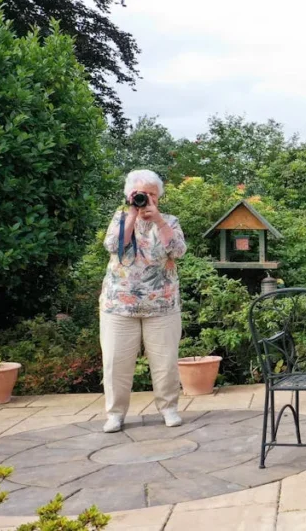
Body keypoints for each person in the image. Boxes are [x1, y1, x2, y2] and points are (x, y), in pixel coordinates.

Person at [99, 169, 188, 433]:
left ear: (159, 197)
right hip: (119, 305)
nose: (146, 198)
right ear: (129, 195)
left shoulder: (169, 221)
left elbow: (178, 250)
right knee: (115, 363)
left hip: (162, 304)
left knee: (165, 362)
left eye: (151, 194)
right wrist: (131, 217)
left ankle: (169, 409)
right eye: (140, 194)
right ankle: (115, 414)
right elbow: (113, 246)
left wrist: (158, 221)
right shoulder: (119, 218)